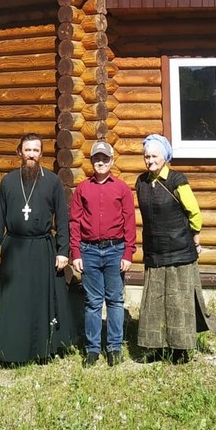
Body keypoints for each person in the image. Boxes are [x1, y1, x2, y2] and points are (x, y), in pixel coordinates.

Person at [0, 133, 74, 365]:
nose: (31, 155)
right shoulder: (8, 181)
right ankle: (13, 352)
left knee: (39, 302)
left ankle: (41, 351)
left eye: (35, 150)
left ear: (41, 154)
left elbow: (62, 220)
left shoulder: (52, 181)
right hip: (14, 246)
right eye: (27, 150)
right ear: (19, 153)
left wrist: (63, 250)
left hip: (42, 248)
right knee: (14, 302)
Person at [135, 133, 216, 363]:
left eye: (154, 156)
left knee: (178, 302)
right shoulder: (141, 182)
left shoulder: (177, 180)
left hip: (179, 251)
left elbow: (194, 212)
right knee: (155, 302)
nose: (149, 160)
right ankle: (155, 347)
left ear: (164, 157)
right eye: (146, 156)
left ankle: (180, 351)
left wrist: (195, 236)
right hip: (155, 251)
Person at [69, 140, 137, 367]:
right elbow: (74, 222)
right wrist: (76, 253)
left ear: (111, 161)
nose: (100, 162)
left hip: (115, 250)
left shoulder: (122, 189)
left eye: (104, 159)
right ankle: (92, 349)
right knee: (93, 302)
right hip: (88, 251)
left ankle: (115, 348)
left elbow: (129, 222)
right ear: (91, 162)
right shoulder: (82, 189)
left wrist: (128, 253)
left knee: (115, 301)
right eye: (97, 159)